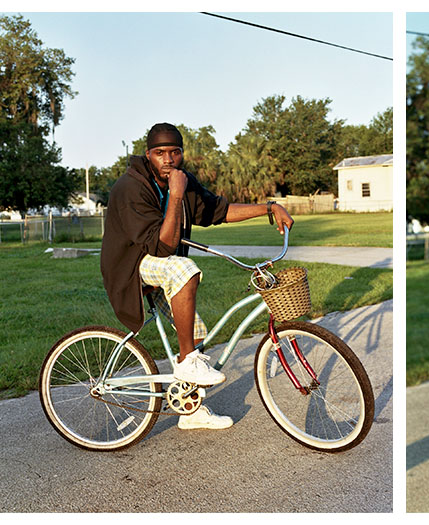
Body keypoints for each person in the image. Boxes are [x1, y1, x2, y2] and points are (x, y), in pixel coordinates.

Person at [100, 122, 294, 430]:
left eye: (174, 152)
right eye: (160, 153)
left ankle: (190, 411)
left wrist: (269, 208)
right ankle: (189, 361)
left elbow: (218, 211)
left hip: (160, 260)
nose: (168, 159)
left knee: (196, 331)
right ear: (148, 154)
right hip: (130, 266)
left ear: (181, 153)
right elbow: (162, 248)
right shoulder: (130, 187)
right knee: (184, 269)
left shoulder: (183, 181)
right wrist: (175, 197)